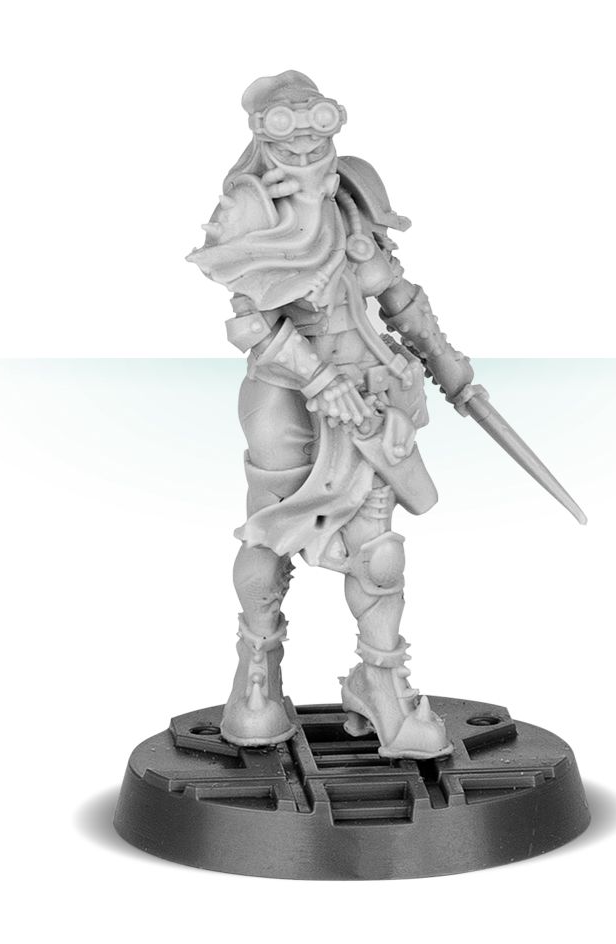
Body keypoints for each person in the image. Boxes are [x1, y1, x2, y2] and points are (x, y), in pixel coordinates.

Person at [188, 71, 479, 759]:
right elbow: (251, 323)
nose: (305, 144)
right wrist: (318, 380)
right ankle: (257, 674)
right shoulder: (249, 211)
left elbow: (395, 291)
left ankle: (381, 683)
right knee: (268, 539)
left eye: (317, 124)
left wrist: (447, 364)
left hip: (370, 391)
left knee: (378, 554)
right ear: (262, 137)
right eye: (286, 130)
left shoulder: (352, 196)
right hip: (286, 398)